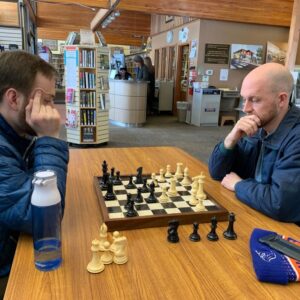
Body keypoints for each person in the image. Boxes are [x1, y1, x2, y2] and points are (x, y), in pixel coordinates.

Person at [0, 51, 69, 297]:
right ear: (13, 99)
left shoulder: (17, 133)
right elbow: (42, 217)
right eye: (46, 100)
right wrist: (49, 139)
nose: (53, 111)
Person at [208, 62, 300, 223]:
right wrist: (231, 139)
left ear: (282, 100)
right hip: (256, 215)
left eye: (254, 100)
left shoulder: (296, 138)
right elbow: (217, 173)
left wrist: (239, 185)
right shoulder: (259, 127)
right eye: (244, 99)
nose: (246, 108)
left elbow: (280, 204)